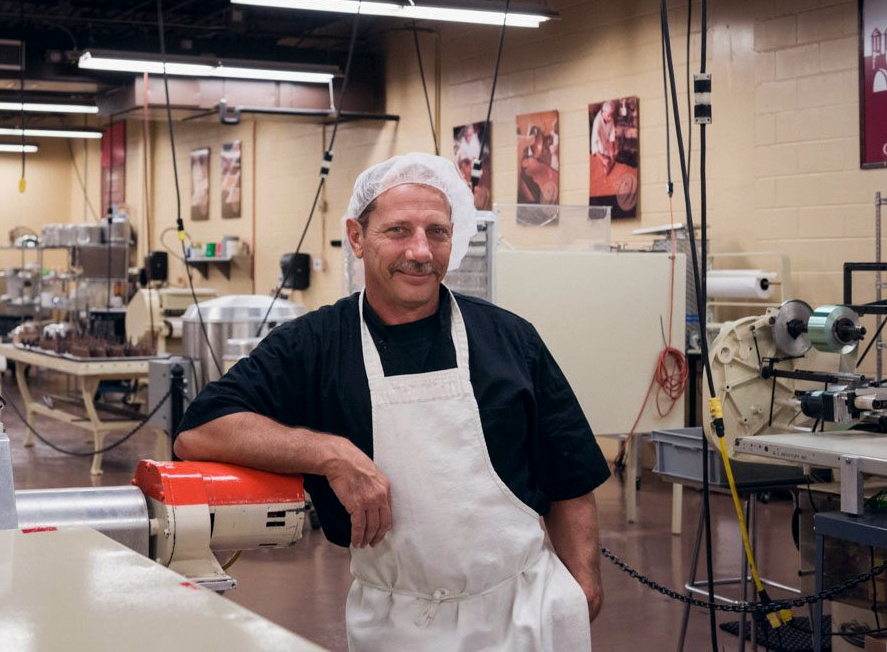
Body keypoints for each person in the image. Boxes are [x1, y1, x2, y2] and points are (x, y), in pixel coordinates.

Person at [175, 152, 608, 651]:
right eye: (398, 230)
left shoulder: (510, 339)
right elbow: (199, 429)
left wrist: (582, 586)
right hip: (400, 624)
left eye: (437, 232)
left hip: (524, 613)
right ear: (357, 237)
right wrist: (330, 455)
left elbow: (569, 476)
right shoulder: (316, 345)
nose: (420, 251)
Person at [590, 100, 618, 175]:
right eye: (609, 115)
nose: (610, 117)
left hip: (606, 148)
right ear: (603, 112)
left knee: (611, 170)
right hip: (599, 152)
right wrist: (602, 159)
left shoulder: (610, 118)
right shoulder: (597, 122)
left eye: (611, 115)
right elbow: (593, 145)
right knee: (602, 174)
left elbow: (612, 136)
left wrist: (612, 150)